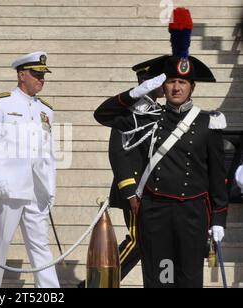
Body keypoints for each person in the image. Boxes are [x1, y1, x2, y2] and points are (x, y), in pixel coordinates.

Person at [94, 8, 228, 287]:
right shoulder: (147, 118)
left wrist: (219, 219)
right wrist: (135, 93)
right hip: (157, 211)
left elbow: (218, 177)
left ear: (192, 87)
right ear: (162, 86)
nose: (176, 88)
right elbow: (102, 115)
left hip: (192, 213)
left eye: (182, 82)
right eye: (170, 82)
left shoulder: (208, 122)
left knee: (189, 278)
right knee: (161, 278)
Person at [0, 51, 60, 288]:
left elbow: (48, 152)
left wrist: (50, 186)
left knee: (40, 243)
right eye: (36, 74)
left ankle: (49, 290)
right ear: (22, 75)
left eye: (43, 75)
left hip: (36, 188)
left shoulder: (46, 110)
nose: (41, 79)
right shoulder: (1, 103)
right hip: (8, 185)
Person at [108, 57, 165, 281]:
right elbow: (118, 153)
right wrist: (130, 191)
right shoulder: (129, 114)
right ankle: (98, 282)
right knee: (137, 240)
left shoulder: (159, 112)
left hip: (155, 190)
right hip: (135, 191)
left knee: (148, 242)